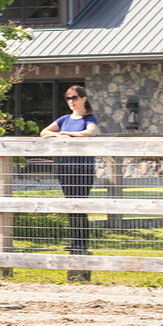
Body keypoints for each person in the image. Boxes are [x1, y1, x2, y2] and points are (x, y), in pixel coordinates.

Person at [41, 85, 99, 258]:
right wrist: (58, 136)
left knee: (81, 204)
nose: (71, 101)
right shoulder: (64, 118)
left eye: (74, 98)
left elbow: (90, 133)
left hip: (83, 169)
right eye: (68, 98)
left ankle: (82, 243)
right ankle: (74, 241)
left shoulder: (89, 118)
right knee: (69, 205)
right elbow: (44, 132)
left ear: (83, 99)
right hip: (65, 168)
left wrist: (68, 134)